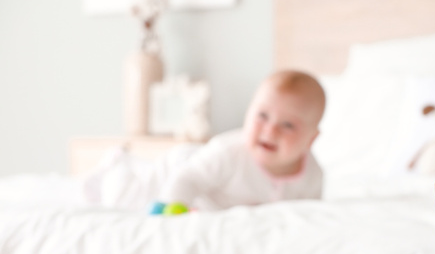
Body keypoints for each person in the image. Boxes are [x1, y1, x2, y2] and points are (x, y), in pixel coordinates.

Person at [84, 70, 326, 213]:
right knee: (127, 198)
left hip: (205, 185)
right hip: (181, 170)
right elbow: (187, 179)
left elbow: (308, 214)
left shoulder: (313, 175)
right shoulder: (230, 153)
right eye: (262, 116)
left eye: (288, 125)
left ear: (311, 140)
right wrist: (174, 208)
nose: (271, 130)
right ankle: (118, 165)